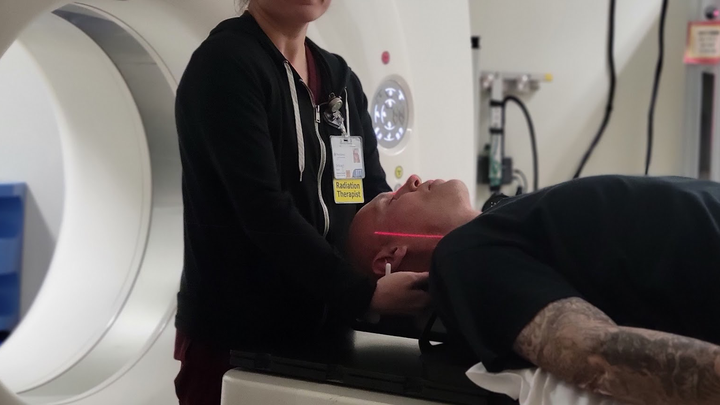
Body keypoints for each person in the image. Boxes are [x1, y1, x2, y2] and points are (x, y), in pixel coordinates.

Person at [173, 1, 430, 404]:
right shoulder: (225, 65)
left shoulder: (340, 81)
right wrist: (363, 295)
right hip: (236, 341)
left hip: (325, 335)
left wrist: (419, 258)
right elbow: (262, 209)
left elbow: (365, 192)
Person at [348, 174, 720, 405]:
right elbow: (594, 353)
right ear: (390, 257)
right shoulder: (462, 257)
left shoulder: (498, 225)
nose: (411, 180)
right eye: (391, 200)